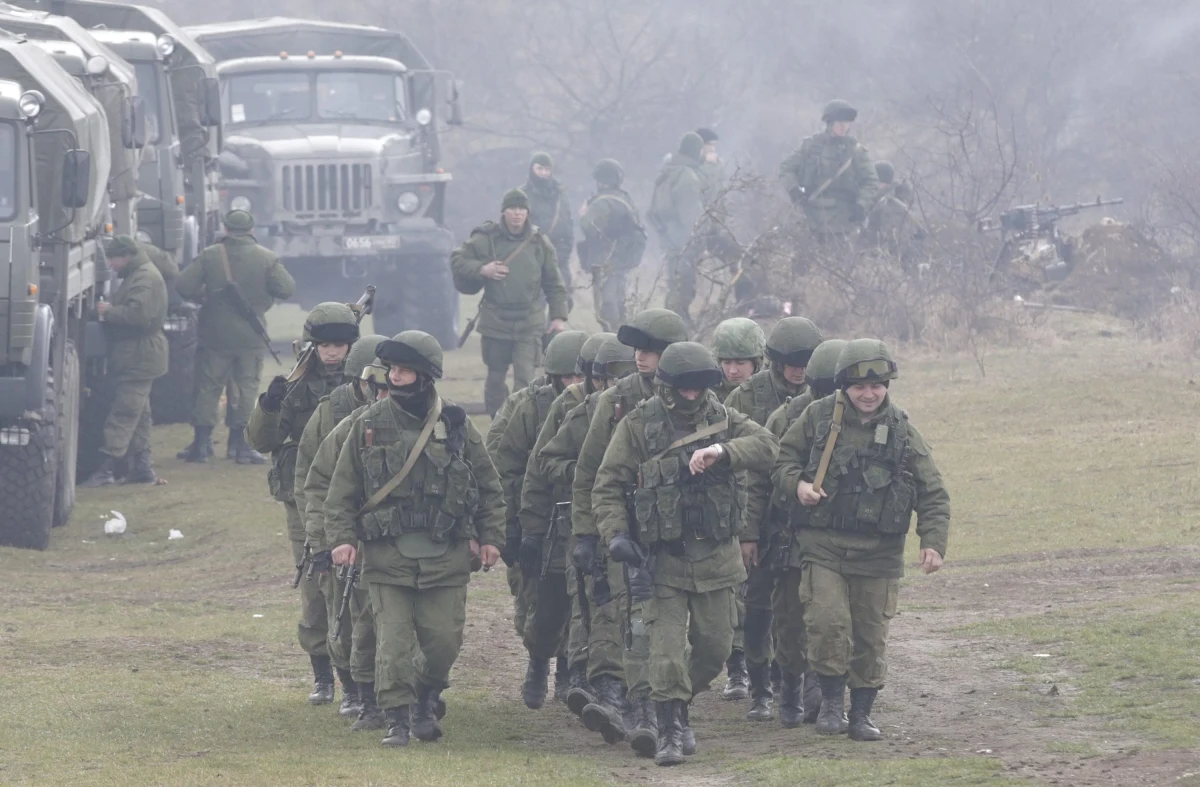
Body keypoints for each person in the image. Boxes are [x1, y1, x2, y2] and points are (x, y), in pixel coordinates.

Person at [592, 342, 777, 766]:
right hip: (662, 560)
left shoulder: (724, 418)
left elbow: (768, 446)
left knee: (714, 648)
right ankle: (669, 728)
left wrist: (723, 451)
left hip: (717, 556)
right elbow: (606, 485)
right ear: (667, 387)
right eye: (684, 388)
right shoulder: (638, 425)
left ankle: (678, 703)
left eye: (699, 387)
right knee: (666, 652)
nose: (692, 396)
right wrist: (616, 534)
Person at [322, 331, 505, 747]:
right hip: (387, 556)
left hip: (447, 553)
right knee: (393, 643)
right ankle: (398, 718)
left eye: (404, 370)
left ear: (424, 376)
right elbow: (341, 491)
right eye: (392, 370)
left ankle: (427, 695)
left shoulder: (455, 423)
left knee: (443, 641)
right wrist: (342, 539)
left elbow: (489, 486)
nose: (395, 377)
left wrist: (491, 537)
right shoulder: (368, 424)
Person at [771, 339, 950, 741]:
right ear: (843, 387)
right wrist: (798, 485)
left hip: (879, 551)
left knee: (870, 634)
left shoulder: (903, 429)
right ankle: (831, 705)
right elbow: (782, 462)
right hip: (823, 545)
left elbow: (932, 490)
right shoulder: (817, 418)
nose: (869, 394)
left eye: (878, 386)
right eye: (859, 387)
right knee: (827, 623)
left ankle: (862, 713)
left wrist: (933, 541)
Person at [569, 308, 688, 754]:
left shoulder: (703, 397)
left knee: (673, 628)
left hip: (680, 534)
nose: (640, 357)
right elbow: (589, 473)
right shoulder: (615, 401)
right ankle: (635, 707)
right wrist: (586, 534)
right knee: (628, 615)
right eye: (637, 349)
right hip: (625, 529)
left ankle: (668, 707)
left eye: (651, 349)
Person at [246, 302, 360, 705]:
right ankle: (323, 675)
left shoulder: (365, 379)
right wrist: (270, 405)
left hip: (355, 496)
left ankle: (354, 679)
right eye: (325, 344)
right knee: (315, 588)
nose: (332, 352)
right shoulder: (298, 382)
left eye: (340, 345)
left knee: (354, 588)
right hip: (303, 497)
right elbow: (262, 441)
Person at [535, 335, 632, 720]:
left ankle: (618, 683)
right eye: (602, 379)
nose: (607, 388)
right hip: (589, 518)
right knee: (593, 601)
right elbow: (546, 462)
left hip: (641, 522)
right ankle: (591, 679)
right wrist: (587, 475)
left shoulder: (655, 411)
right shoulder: (584, 411)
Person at [490, 330, 589, 709]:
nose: (574, 385)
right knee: (541, 606)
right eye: (567, 378)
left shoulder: (605, 404)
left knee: (579, 600)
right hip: (540, 519)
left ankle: (569, 669)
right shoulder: (526, 407)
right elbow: (504, 468)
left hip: (580, 517)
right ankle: (538, 661)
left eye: (580, 377)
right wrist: (513, 530)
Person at [293, 333, 388, 719]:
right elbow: (310, 482)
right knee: (340, 613)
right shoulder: (332, 414)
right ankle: (349, 684)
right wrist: (321, 541)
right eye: (373, 384)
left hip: (385, 534)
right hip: (339, 531)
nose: (381, 392)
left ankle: (389, 688)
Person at [519, 332, 613, 706]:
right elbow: (536, 468)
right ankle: (539, 661)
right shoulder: (568, 408)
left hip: (607, 523)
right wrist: (528, 529)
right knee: (549, 608)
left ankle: (575, 674)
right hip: (563, 522)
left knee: (590, 604)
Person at [757, 338, 846, 726]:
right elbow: (760, 481)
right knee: (791, 620)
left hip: (840, 538)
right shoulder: (786, 418)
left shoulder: (871, 420)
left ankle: (822, 689)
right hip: (790, 535)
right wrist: (750, 535)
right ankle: (791, 685)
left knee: (834, 619)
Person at [175, 209, 296, 464]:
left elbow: (183, 286)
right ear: (252, 230)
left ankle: (201, 445)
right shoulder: (266, 257)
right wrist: (263, 300)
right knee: (247, 388)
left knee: (208, 387)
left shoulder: (210, 256)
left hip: (214, 334)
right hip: (251, 335)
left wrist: (203, 297)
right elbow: (286, 288)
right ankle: (240, 446)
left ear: (226, 229)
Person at [451, 188, 569, 417]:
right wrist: (482, 269)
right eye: (512, 209)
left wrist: (558, 316)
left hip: (529, 321)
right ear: (503, 212)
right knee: (495, 378)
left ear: (527, 212)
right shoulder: (486, 238)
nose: (517, 214)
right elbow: (457, 259)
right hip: (496, 321)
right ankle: (498, 422)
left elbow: (554, 281)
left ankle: (518, 424)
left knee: (525, 378)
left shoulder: (539, 243)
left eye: (521, 209)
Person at [79, 236, 169, 487]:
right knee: (139, 414)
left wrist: (108, 311)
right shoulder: (140, 275)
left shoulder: (144, 278)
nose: (111, 264)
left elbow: (138, 316)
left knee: (125, 411)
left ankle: (106, 468)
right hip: (139, 355)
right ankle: (142, 468)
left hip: (139, 355)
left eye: (113, 258)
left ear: (126, 255)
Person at [779, 100, 878, 239]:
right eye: (840, 123)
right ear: (830, 123)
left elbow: (871, 181)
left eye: (847, 123)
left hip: (843, 221)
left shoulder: (856, 152)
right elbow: (786, 169)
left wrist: (862, 204)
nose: (844, 127)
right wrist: (794, 190)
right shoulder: (810, 146)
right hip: (810, 217)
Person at [578, 159, 646, 332]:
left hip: (605, 261)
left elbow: (588, 227)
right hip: (622, 261)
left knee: (607, 308)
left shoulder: (602, 202)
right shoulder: (624, 198)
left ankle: (615, 344)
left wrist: (583, 214)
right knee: (620, 302)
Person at [648, 133, 706, 324]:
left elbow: (653, 209)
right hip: (683, 238)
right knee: (683, 286)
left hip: (668, 237)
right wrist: (700, 237)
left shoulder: (667, 172)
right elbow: (691, 216)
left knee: (676, 283)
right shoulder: (686, 175)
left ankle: (673, 323)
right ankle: (676, 327)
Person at [522, 152, 575, 304]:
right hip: (533, 257)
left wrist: (565, 253)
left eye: (547, 169)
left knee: (564, 302)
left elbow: (568, 224)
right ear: (532, 169)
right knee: (535, 303)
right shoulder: (522, 194)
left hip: (559, 255)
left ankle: (551, 328)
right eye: (539, 169)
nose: (544, 173)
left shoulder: (560, 194)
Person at [864, 160, 925, 262]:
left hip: (893, 263)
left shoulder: (891, 205)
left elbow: (895, 243)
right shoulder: (881, 202)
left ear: (881, 183)